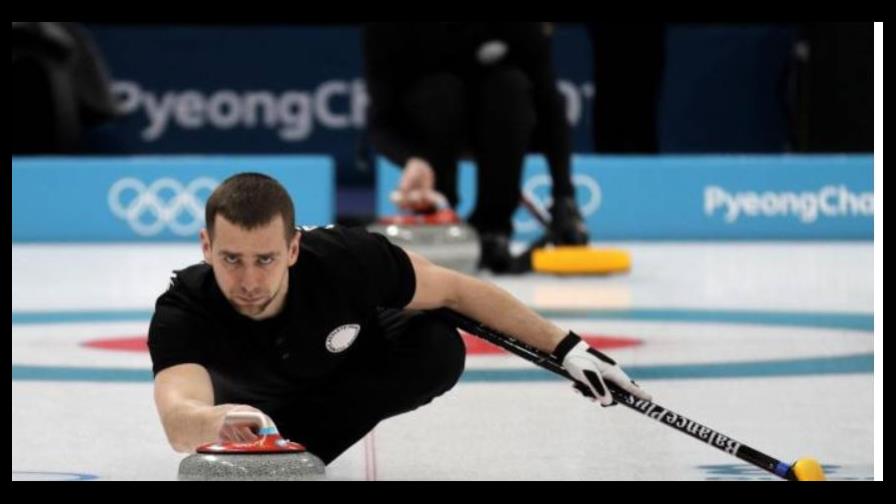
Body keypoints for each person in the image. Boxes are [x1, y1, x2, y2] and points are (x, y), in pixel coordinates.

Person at [149, 173, 649, 465]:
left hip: (344, 373)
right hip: (255, 406)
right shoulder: (184, 310)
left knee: (438, 346)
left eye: (266, 260)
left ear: (293, 248)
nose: (250, 280)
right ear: (206, 246)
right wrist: (219, 421)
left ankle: (301, 450)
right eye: (231, 259)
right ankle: (281, 439)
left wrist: (566, 348)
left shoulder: (346, 258)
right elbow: (179, 419)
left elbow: (456, 289)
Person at [362, 23, 589, 273]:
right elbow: (381, 122)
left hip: (498, 117)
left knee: (510, 86)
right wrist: (414, 159)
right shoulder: (389, 30)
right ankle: (437, 215)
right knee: (442, 93)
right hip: (426, 120)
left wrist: (564, 196)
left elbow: (549, 104)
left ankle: (493, 229)